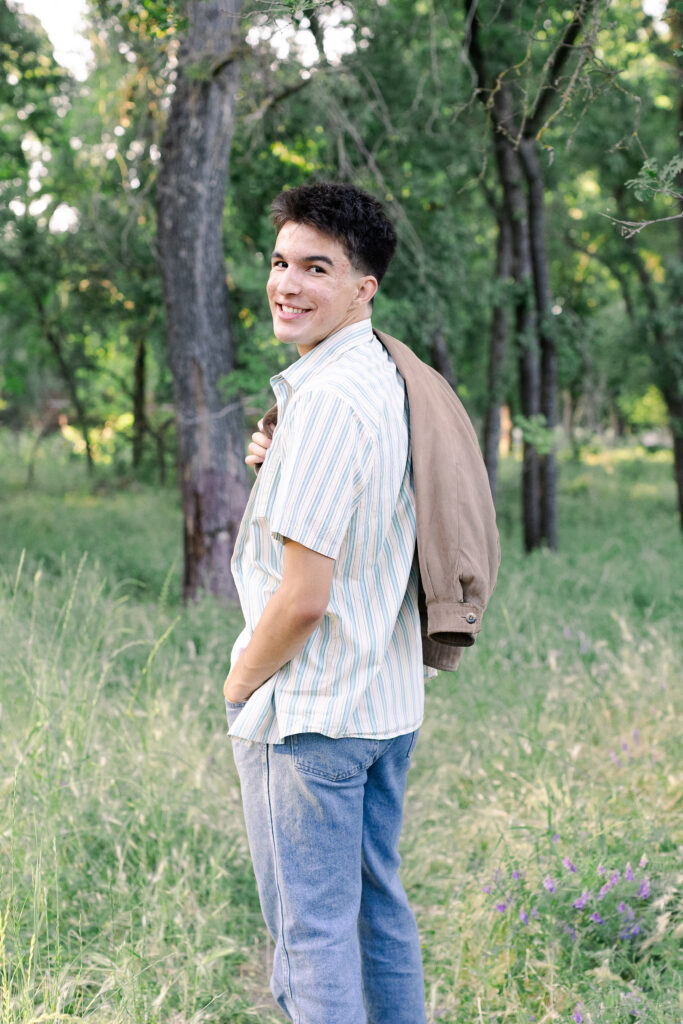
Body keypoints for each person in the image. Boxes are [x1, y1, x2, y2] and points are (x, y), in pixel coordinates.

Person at [223, 182, 428, 1024]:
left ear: (361, 288)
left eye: (317, 267)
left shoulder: (325, 403)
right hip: (383, 702)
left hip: (312, 713)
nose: (287, 284)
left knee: (310, 939)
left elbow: (303, 599)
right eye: (280, 261)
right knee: (377, 912)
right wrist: (278, 462)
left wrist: (241, 682)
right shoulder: (383, 372)